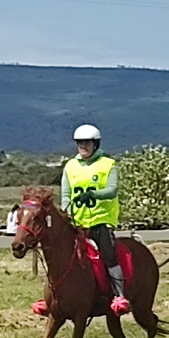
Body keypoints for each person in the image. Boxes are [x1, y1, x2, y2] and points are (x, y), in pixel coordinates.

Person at [46, 124, 130, 316]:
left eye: (87, 143)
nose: (83, 146)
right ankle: (53, 298)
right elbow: (66, 195)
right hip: (77, 222)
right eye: (79, 143)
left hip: (101, 220)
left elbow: (112, 189)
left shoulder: (108, 165)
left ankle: (119, 295)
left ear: (95, 144)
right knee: (61, 257)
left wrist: (94, 195)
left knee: (108, 256)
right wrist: (65, 212)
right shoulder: (70, 166)